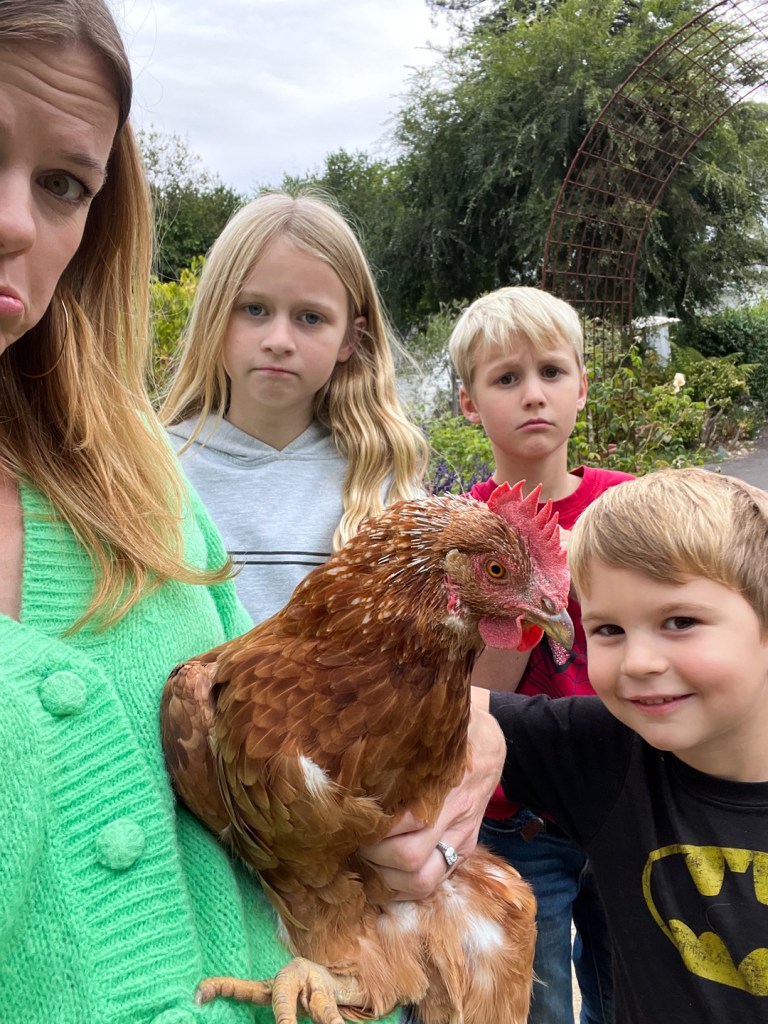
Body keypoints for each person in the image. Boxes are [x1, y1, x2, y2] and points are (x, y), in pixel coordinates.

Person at [0, 4, 467, 1021]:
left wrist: (464, 734)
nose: (16, 223)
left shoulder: (138, 481)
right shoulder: (180, 458)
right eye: (254, 310)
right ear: (213, 320)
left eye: (65, 182)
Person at [448, 286, 633, 1024]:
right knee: (536, 1002)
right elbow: (470, 693)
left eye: (552, 372)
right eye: (506, 378)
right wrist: (516, 605)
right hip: (516, 813)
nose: (533, 394)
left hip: (625, 792)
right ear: (470, 403)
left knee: (631, 995)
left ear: (581, 387)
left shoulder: (628, 508)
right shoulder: (461, 531)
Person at [160, 191, 428, 624]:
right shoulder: (156, 467)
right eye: (254, 309)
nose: (279, 341)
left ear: (350, 339)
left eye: (310, 318)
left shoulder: (382, 484)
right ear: (214, 315)